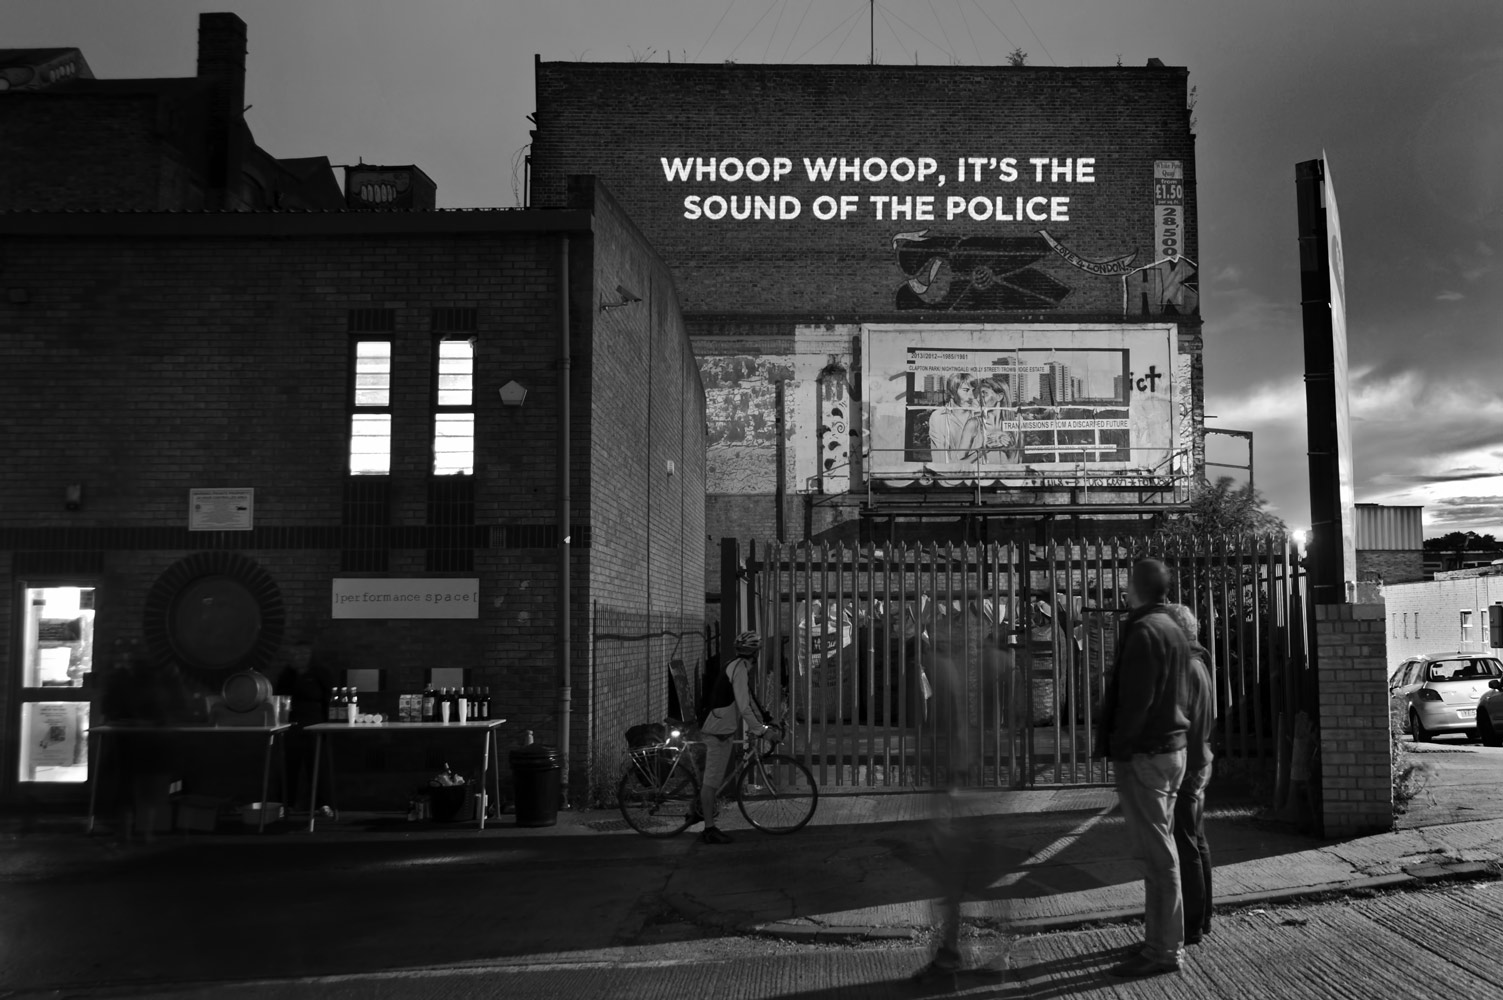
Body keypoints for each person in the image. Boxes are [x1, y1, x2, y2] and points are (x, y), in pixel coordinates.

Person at [1096, 557, 1193, 978]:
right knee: (1160, 851)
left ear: (1136, 587)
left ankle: (1165, 949)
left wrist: (1120, 749)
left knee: (1157, 857)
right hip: (1171, 749)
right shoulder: (1173, 628)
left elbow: (1136, 700)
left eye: (1128, 581)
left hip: (1148, 753)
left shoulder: (1144, 630)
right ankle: (1159, 940)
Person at [696, 629, 778, 845]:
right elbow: (744, 707)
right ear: (756, 653)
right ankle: (709, 829)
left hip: (721, 729)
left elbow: (749, 699)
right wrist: (762, 730)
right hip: (717, 732)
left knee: (712, 779)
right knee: (711, 783)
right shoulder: (740, 669)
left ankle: (694, 810)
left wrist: (767, 719)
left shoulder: (737, 665)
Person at [1165, 603, 1215, 945]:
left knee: (1186, 846)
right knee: (1197, 841)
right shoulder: (1200, 662)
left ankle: (1192, 924)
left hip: (1189, 763)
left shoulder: (1185, 667)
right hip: (1201, 760)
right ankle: (1204, 917)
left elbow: (1181, 719)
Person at [273, 639, 334, 817]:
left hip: (316, 723)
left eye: (304, 653)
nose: (301, 657)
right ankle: (286, 804)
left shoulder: (320, 673)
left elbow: (330, 698)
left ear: (311, 655)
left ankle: (323, 804)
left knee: (318, 765)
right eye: (297, 653)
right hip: (291, 725)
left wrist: (328, 723)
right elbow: (278, 698)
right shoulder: (287, 675)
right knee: (289, 765)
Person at [927, 372, 985, 464]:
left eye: (974, 391)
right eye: (966, 390)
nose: (972, 396)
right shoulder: (939, 417)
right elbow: (942, 460)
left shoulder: (980, 416)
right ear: (952, 392)